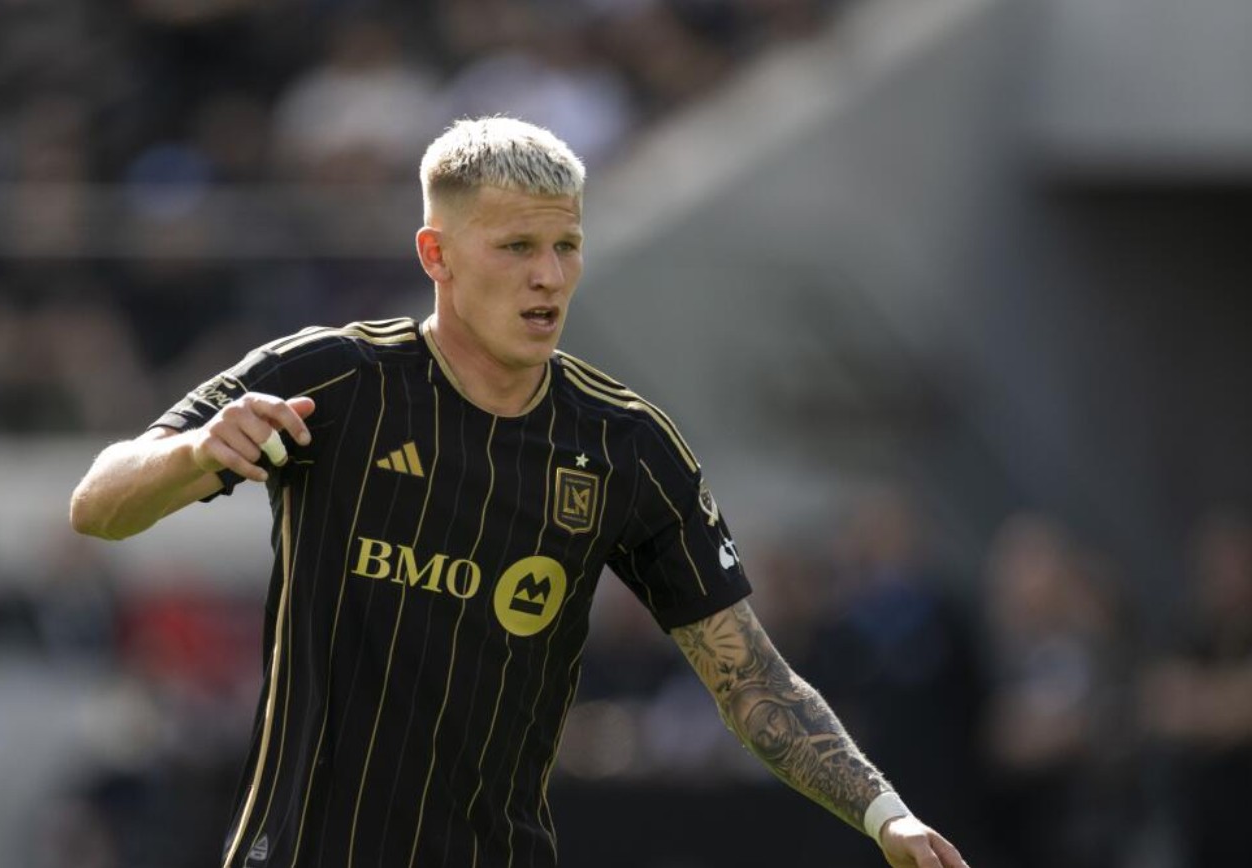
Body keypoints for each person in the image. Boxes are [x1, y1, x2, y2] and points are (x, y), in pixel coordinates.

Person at [70, 117, 969, 868]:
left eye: (566, 246)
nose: (549, 275)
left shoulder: (625, 446)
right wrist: (191, 453)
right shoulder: (333, 381)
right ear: (437, 255)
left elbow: (748, 677)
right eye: (517, 248)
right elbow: (97, 506)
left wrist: (882, 811)